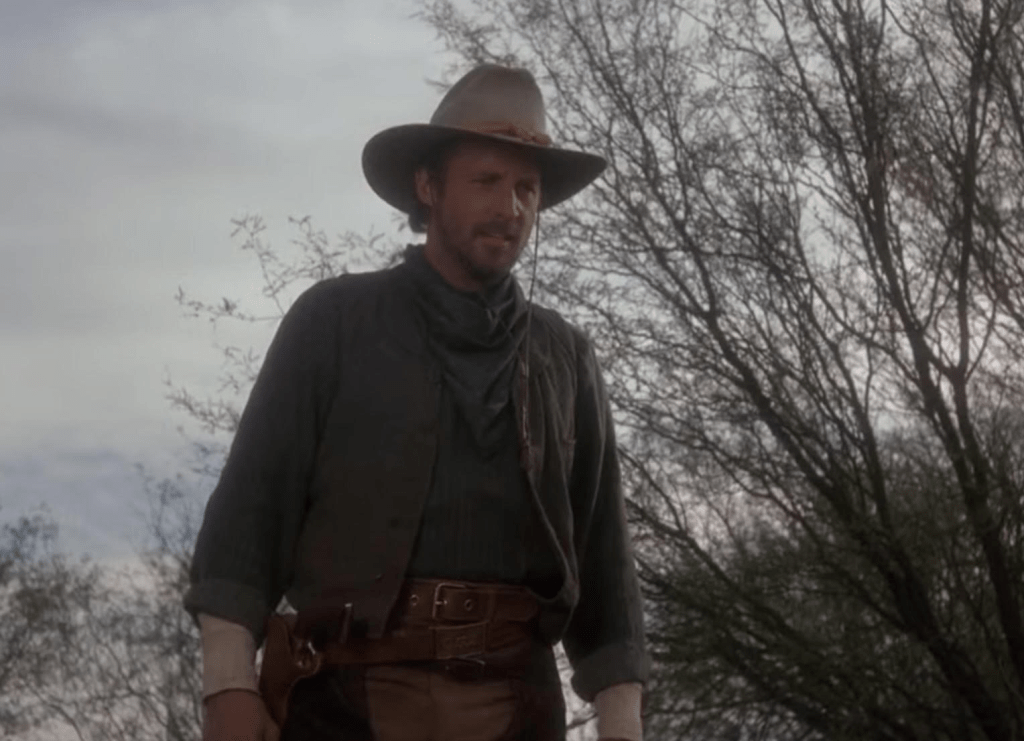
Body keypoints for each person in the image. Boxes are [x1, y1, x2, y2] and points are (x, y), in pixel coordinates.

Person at [184, 63, 649, 741]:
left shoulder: (565, 355)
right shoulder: (334, 321)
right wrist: (228, 685)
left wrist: (622, 723)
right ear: (428, 187)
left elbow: (604, 558)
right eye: (486, 181)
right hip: (343, 703)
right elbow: (249, 515)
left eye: (527, 188)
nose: (511, 208)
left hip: (518, 706)